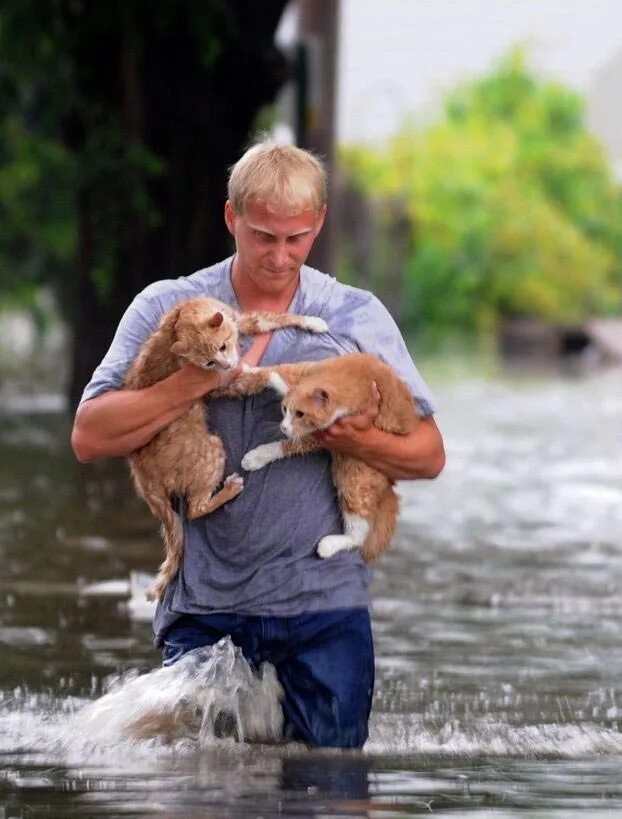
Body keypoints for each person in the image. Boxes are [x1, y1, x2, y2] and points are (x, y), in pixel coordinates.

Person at [70, 138, 445, 748]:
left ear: (318, 224)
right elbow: (90, 436)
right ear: (230, 218)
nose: (278, 255)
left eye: (295, 238)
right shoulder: (171, 311)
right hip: (205, 607)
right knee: (197, 794)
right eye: (262, 236)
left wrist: (359, 436)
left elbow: (429, 455)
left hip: (324, 608)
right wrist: (193, 380)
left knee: (328, 792)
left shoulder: (355, 317)